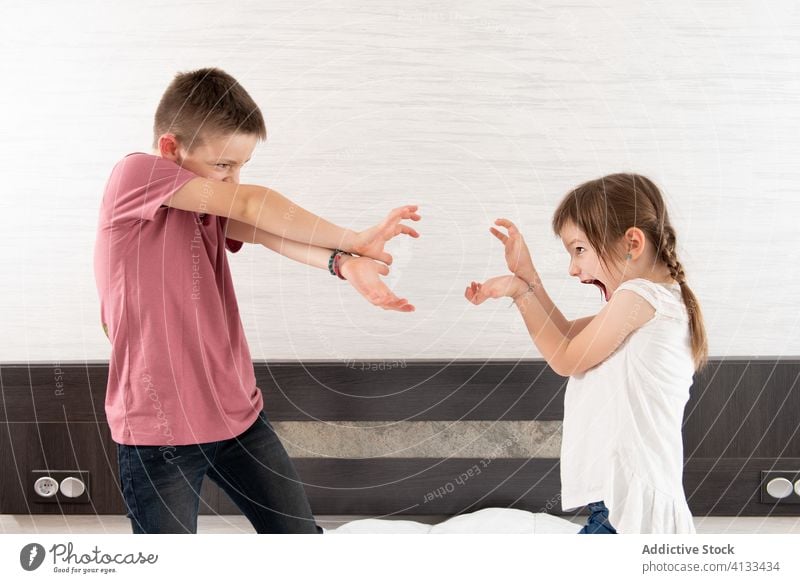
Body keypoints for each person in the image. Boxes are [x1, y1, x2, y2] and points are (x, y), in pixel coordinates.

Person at [93, 67, 420, 534]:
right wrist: (357, 238)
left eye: (242, 166)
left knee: (299, 541)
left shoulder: (205, 206)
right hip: (158, 434)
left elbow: (267, 231)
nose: (233, 180)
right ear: (171, 149)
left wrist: (344, 263)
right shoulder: (135, 176)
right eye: (223, 165)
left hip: (237, 418)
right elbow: (252, 204)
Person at [464, 173, 708, 534]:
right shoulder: (654, 302)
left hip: (626, 511)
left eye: (579, 250)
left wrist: (521, 293)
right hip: (624, 507)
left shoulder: (640, 297)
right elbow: (562, 334)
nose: (573, 268)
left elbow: (565, 358)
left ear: (632, 243)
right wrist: (527, 280)